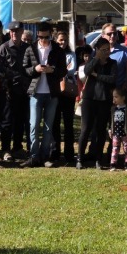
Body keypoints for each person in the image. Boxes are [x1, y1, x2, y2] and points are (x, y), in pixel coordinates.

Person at [21, 22, 67, 168]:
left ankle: (45, 156)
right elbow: (24, 70)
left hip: (51, 93)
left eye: (46, 37)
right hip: (35, 92)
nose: (43, 40)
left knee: (48, 127)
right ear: (37, 35)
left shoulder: (58, 50)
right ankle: (34, 156)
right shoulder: (31, 49)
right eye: (40, 37)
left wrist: (52, 70)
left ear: (51, 35)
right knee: (33, 125)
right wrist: (35, 69)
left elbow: (63, 71)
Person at [76, 37, 116, 169]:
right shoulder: (92, 62)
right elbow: (87, 71)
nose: (106, 52)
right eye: (103, 50)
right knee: (86, 129)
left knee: (100, 130)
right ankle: (80, 158)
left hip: (104, 100)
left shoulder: (112, 63)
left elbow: (112, 79)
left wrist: (97, 76)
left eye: (108, 50)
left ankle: (99, 159)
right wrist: (96, 59)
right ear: (97, 50)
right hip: (89, 99)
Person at [0, 21, 31, 161]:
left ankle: (17, 147)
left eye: (17, 31)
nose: (14, 34)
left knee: (21, 121)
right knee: (7, 121)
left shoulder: (28, 48)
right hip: (9, 90)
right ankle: (5, 149)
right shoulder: (4, 48)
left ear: (22, 31)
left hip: (24, 90)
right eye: (12, 31)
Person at [51, 30, 77, 162]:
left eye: (65, 40)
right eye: (60, 40)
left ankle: (69, 153)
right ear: (55, 40)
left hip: (68, 92)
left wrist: (59, 70)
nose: (63, 42)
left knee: (68, 124)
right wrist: (61, 69)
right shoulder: (52, 53)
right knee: (55, 123)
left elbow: (72, 69)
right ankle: (55, 151)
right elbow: (52, 69)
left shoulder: (71, 54)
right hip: (55, 91)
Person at [108, 87, 127, 171]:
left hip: (125, 133)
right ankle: (113, 164)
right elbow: (110, 120)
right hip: (116, 133)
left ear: (123, 98)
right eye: (113, 97)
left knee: (126, 148)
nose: (114, 99)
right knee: (115, 148)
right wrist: (110, 129)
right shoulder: (113, 109)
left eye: (116, 97)